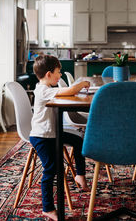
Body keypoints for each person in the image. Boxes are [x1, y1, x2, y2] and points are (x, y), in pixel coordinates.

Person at [29, 55, 90, 221]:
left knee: (78, 140)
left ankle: (80, 174)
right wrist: (82, 84)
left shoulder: (47, 87)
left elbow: (66, 94)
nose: (60, 75)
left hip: (52, 133)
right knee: (52, 169)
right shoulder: (43, 90)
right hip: (41, 136)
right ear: (49, 74)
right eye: (58, 72)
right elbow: (68, 91)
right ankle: (47, 208)